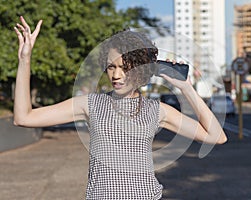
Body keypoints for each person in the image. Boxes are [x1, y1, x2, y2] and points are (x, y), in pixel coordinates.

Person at [13, 16, 227, 200]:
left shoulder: (157, 110)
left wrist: (185, 87)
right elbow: (24, 118)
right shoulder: (90, 104)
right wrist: (25, 59)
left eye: (125, 68)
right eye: (111, 67)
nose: (116, 75)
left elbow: (217, 137)